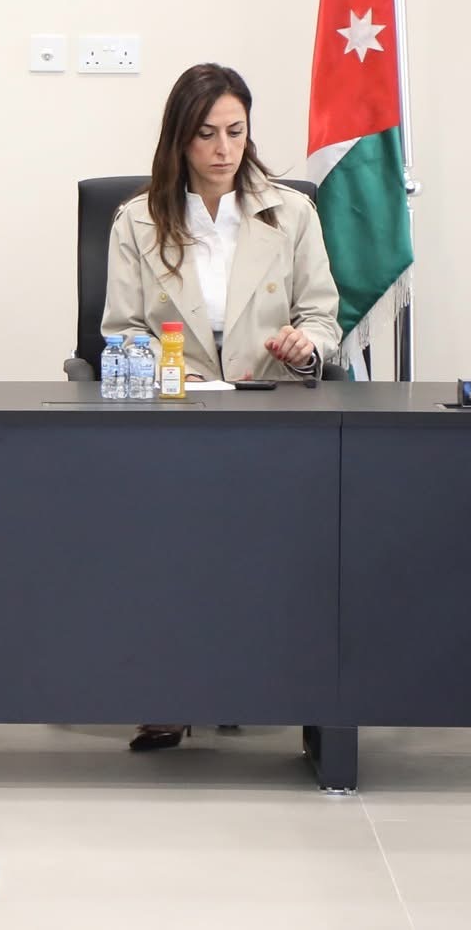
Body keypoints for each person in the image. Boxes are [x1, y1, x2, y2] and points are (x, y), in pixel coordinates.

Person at [102, 63, 342, 751]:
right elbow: (121, 330)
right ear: (179, 139)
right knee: (170, 544)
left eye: (235, 132)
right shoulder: (137, 220)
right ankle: (170, 689)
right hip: (172, 417)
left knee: (291, 546)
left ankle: (291, 688)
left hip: (273, 410)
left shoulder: (290, 213)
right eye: (206, 133)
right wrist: (164, 372)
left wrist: (305, 346)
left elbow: (323, 318)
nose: (223, 149)